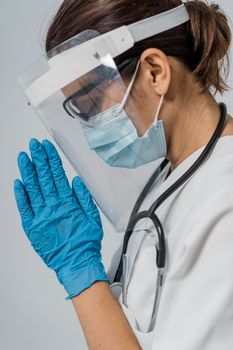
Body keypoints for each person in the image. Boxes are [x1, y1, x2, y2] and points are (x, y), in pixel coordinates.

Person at [14, 0, 233, 349]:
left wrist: (82, 276)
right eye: (78, 112)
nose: (90, 128)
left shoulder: (225, 200)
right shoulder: (170, 180)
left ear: (155, 72)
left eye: (93, 104)